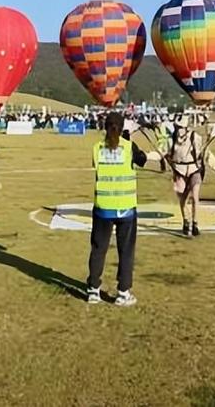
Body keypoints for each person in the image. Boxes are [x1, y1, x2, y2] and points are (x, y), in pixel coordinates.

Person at [87, 111, 149, 308]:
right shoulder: (129, 147)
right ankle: (123, 292)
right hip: (125, 209)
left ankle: (94, 291)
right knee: (126, 251)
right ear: (123, 128)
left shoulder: (97, 148)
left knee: (98, 249)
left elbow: (98, 165)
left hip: (103, 208)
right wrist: (129, 141)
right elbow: (142, 160)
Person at [162, 116, 215, 238]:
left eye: (180, 127)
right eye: (177, 127)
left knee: (195, 197)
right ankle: (186, 221)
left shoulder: (195, 138)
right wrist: (144, 156)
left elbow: (206, 155)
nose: (178, 129)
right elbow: (163, 153)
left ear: (186, 128)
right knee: (183, 200)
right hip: (179, 172)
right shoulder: (171, 140)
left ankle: (195, 223)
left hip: (194, 171)